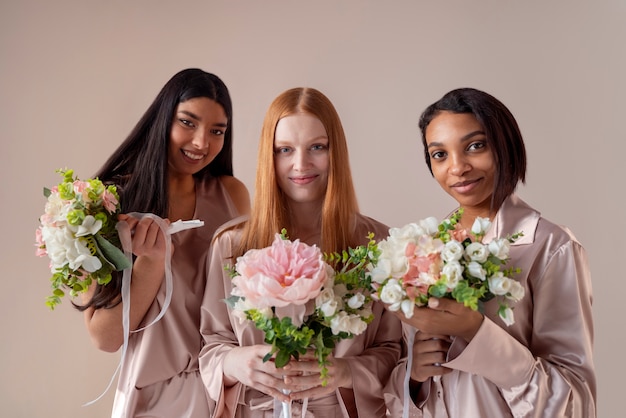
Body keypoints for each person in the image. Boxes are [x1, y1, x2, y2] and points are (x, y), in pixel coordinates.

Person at [383, 87, 596, 417]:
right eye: (440, 154)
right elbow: (405, 399)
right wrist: (415, 376)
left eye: (475, 146)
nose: (458, 167)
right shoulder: (424, 251)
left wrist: (476, 332)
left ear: (504, 145)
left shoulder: (551, 248)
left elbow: (574, 404)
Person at [199, 87, 402, 417]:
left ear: (336, 151)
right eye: (284, 150)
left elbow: (394, 351)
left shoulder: (378, 243)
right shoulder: (231, 244)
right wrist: (235, 363)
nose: (300, 164)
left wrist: (347, 372)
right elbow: (211, 346)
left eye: (317, 147)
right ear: (270, 156)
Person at [79, 68, 251, 417]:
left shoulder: (232, 196)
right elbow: (105, 337)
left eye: (216, 131)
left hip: (228, 394)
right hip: (152, 402)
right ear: (162, 118)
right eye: (188, 122)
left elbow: (246, 308)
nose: (202, 142)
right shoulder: (106, 204)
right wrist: (152, 262)